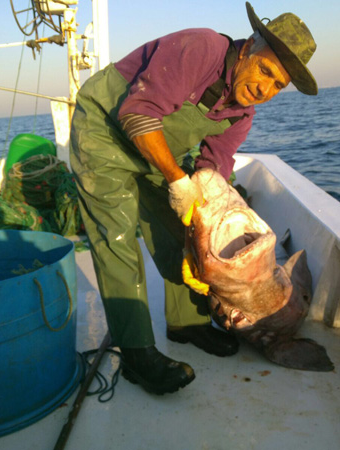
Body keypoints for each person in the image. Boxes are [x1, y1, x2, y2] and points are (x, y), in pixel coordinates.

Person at [70, 2, 318, 395]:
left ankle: (186, 323)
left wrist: (203, 219)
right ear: (250, 46)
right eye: (266, 71)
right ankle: (137, 354)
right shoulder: (200, 48)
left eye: (277, 85)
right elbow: (138, 111)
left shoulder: (243, 113)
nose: (264, 90)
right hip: (105, 130)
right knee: (116, 238)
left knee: (183, 232)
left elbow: (212, 168)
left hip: (157, 148)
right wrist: (176, 180)